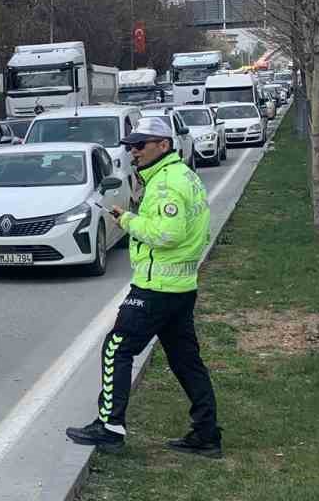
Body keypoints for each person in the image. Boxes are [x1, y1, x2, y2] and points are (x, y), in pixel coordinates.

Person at [66, 116, 222, 457]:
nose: (133, 152)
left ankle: (110, 427)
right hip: (180, 286)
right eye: (130, 146)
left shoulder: (166, 184)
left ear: (163, 146)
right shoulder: (184, 176)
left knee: (116, 348)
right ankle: (207, 433)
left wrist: (127, 220)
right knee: (185, 361)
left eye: (140, 145)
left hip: (157, 287)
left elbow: (168, 234)